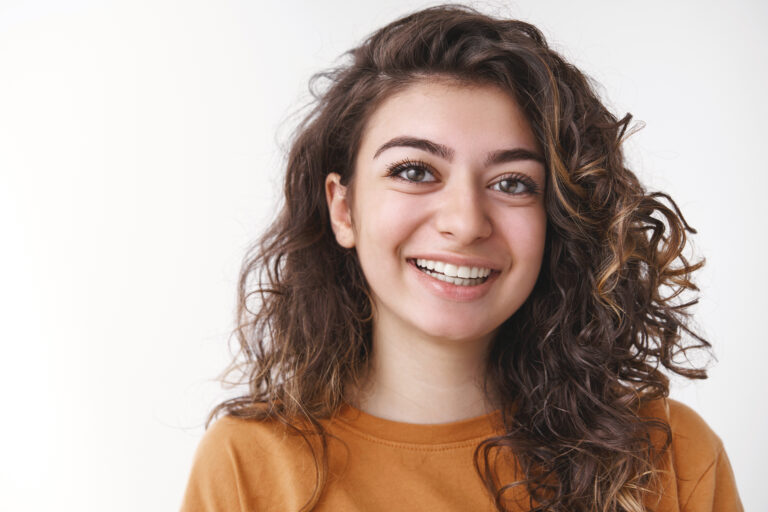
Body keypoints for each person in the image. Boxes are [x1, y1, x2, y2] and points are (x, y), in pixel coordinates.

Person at [180, 5, 743, 511]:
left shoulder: (669, 457)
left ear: (557, 218)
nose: (467, 221)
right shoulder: (248, 466)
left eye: (513, 183)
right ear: (344, 210)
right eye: (415, 171)